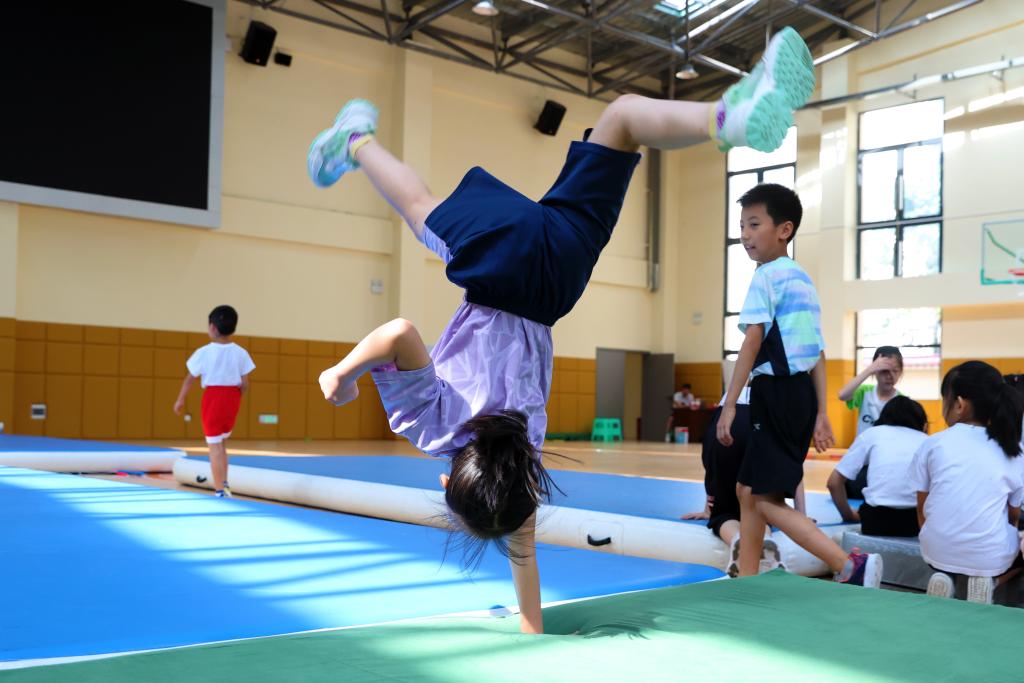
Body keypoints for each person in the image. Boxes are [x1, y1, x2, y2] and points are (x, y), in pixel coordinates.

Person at [310, 27, 818, 634]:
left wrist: (534, 626)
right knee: (419, 206)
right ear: (449, 480)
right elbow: (398, 331)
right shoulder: (438, 429)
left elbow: (523, 546)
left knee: (623, 119)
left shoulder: (523, 449)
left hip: (561, 279)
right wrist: (342, 372)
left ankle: (724, 118)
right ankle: (356, 139)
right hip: (499, 267)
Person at [716, 182, 882, 588]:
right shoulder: (802, 280)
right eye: (741, 225)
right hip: (799, 397)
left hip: (776, 394)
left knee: (762, 499)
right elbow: (819, 352)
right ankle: (749, 578)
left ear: (784, 229)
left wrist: (730, 403)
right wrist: (822, 411)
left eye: (755, 224)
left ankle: (847, 563)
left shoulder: (767, 278)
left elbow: (752, 340)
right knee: (745, 489)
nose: (745, 234)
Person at [910, 361, 1024, 604]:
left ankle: (944, 575)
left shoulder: (932, 443)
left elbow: (922, 508)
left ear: (959, 405)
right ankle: (989, 582)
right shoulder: (1014, 451)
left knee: (947, 539)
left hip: (935, 550)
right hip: (990, 556)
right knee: (1016, 549)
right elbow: (1013, 515)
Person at [173, 305, 255, 498]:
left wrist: (180, 400)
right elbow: (245, 384)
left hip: (213, 397)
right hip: (232, 397)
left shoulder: (204, 352)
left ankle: (220, 491)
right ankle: (224, 484)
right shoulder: (240, 352)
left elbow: (190, 379)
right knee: (222, 443)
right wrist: (235, 399)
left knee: (214, 446)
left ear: (212, 327)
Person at [827, 396, 928, 537]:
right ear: (924, 425)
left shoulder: (872, 433)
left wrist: (848, 515)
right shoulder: (928, 441)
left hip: (875, 522)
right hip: (917, 524)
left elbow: (833, 483)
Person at [836, 346, 904, 498]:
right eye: (884, 370)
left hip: (886, 464)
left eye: (895, 371)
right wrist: (869, 370)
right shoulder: (865, 392)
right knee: (847, 488)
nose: (890, 376)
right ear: (876, 372)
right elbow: (842, 395)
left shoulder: (901, 401)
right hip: (863, 463)